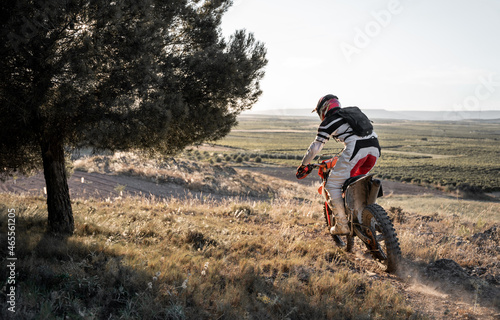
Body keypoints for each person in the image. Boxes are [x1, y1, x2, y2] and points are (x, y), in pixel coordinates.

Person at [297, 94, 381, 235]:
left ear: (323, 109)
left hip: (357, 149)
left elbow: (315, 148)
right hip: (374, 148)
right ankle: (368, 216)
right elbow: (355, 137)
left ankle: (342, 224)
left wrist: (304, 164)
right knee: (358, 182)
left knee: (332, 185)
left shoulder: (328, 122)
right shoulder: (350, 116)